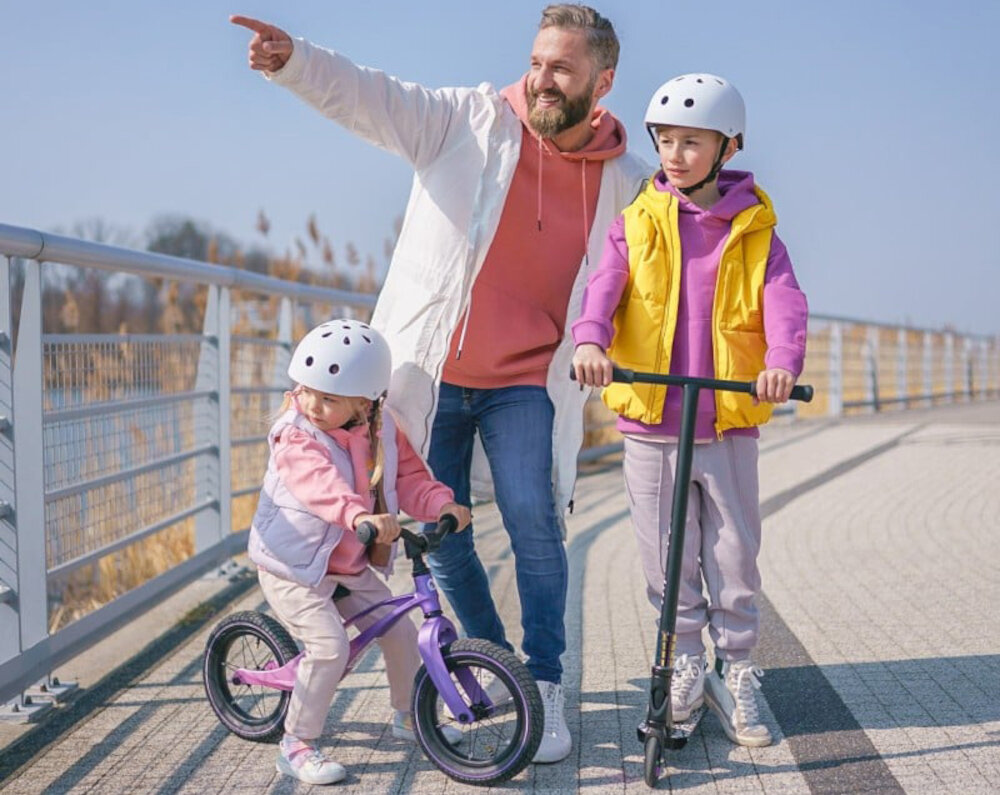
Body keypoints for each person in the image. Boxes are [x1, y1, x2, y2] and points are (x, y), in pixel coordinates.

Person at [232, 4, 650, 763]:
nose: (542, 79)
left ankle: (547, 684)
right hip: (431, 375)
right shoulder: (467, 122)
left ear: (604, 81)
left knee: (534, 519)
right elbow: (372, 95)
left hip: (530, 381)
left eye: (562, 68)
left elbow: (679, 245)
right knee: (440, 528)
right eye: (536, 62)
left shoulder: (626, 180)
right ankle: (497, 661)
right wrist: (296, 62)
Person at [571, 74, 808, 748]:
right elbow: (602, 290)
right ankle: (687, 665)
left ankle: (738, 671)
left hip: (729, 418)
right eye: (666, 141)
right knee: (666, 557)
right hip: (652, 423)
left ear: (727, 145)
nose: (674, 154)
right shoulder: (636, 223)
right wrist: (591, 341)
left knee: (734, 555)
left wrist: (781, 362)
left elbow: (786, 303)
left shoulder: (758, 231)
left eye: (691, 142)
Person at [247, 318, 471, 785]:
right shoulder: (296, 435)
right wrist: (358, 516)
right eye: (306, 390)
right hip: (294, 566)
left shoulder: (382, 429)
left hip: (347, 564)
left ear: (364, 402)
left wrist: (442, 503)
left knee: (402, 633)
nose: (312, 404)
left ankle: (410, 715)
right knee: (329, 648)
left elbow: (409, 478)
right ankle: (297, 744)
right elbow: (318, 485)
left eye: (328, 398)